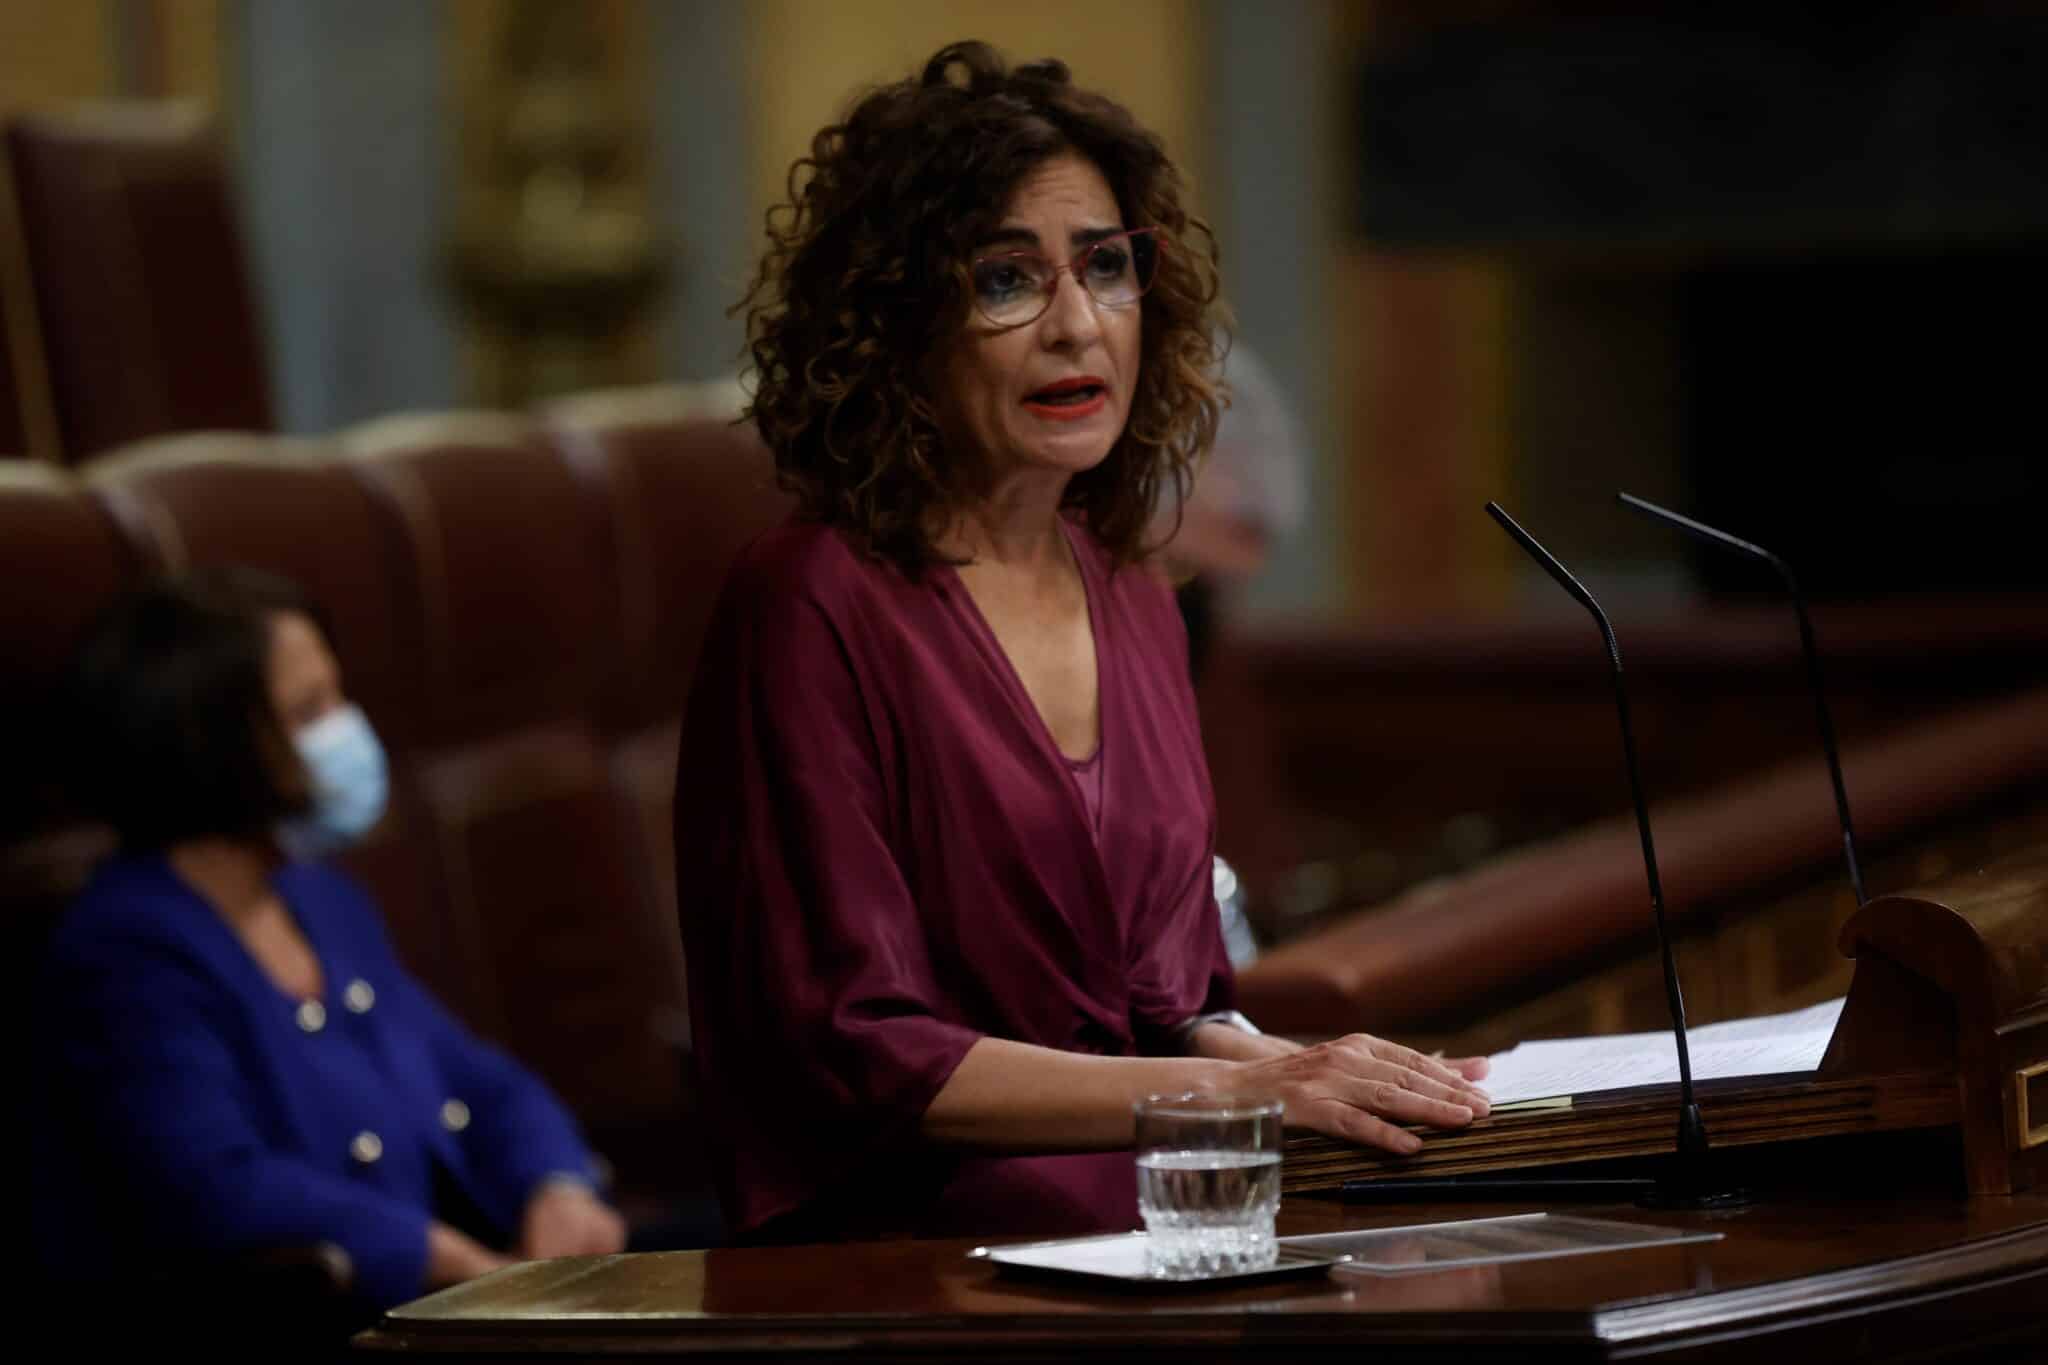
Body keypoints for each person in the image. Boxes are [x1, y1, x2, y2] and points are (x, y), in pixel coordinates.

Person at [673, 40, 1490, 1246]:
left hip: (1155, 1225)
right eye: (1006, 281)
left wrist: (1312, 1070)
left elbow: (1165, 1003)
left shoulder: (1135, 590)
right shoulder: (810, 601)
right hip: (907, 1266)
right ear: (895, 324)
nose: (1075, 325)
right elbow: (857, 1049)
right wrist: (1239, 1089)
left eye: (1104, 267)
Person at [35, 567, 626, 1312]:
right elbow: (214, 1185)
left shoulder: (319, 897)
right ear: (209, 748)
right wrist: (460, 1265)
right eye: (311, 709)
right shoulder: (124, 952)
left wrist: (557, 1184)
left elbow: (478, 1081)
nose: (348, 729)